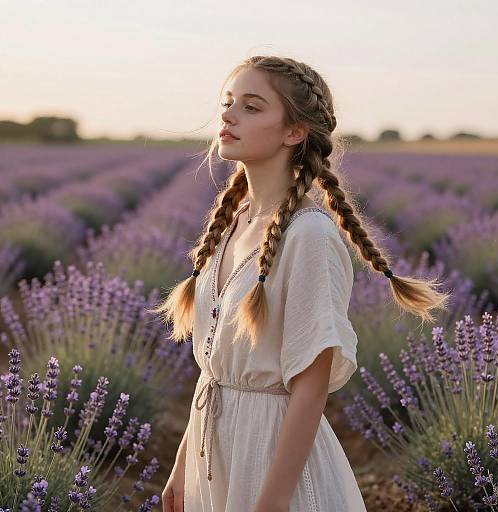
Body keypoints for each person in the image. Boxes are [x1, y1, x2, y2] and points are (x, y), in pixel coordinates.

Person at [151, 55, 451, 512]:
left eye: (252, 107)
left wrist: (271, 502)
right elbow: (214, 373)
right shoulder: (234, 222)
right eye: (228, 102)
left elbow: (310, 391)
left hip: (273, 460)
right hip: (215, 452)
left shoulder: (309, 235)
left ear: (294, 132)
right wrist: (181, 467)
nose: (229, 115)